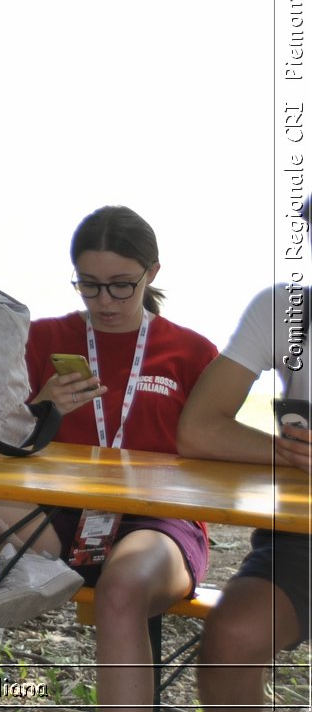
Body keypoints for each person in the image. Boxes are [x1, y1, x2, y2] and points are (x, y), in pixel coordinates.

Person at [0, 205, 215, 709]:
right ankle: (27, 562)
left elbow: (214, 442)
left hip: (158, 523)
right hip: (58, 516)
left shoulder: (191, 353)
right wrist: (43, 408)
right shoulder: (42, 337)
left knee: (119, 595)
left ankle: (26, 561)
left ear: (152, 274)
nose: (105, 300)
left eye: (121, 284)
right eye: (89, 284)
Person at [177, 278, 312, 712]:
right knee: (232, 638)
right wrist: (292, 454)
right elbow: (199, 431)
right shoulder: (286, 309)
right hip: (303, 533)